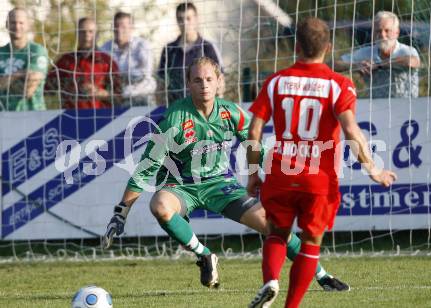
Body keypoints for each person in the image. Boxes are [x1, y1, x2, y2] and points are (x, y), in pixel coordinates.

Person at [103, 57, 349, 292]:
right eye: (198, 80)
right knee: (159, 205)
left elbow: (256, 149)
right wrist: (121, 212)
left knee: (274, 226)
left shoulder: (231, 113)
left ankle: (322, 276)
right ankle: (205, 255)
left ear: (219, 82)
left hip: (220, 184)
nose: (204, 85)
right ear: (188, 84)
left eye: (209, 79)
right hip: (180, 187)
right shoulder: (174, 119)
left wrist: (295, 171)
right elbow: (148, 167)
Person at [247, 17, 397, 308]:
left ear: (296, 46)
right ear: (328, 48)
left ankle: (270, 280)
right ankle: (291, 306)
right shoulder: (338, 84)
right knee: (311, 243)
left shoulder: (276, 81)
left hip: (280, 172)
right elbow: (351, 130)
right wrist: (373, 170)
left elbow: (254, 131)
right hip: (318, 179)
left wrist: (253, 173)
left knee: (277, 232)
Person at [334, 11, 420, 98]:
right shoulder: (366, 52)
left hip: (406, 107)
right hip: (376, 107)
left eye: (387, 30)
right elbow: (332, 64)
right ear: (373, 33)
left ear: (397, 32)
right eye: (378, 31)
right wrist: (356, 66)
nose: (382, 35)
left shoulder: (407, 51)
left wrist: (379, 65)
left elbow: (412, 62)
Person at [46, 17, 122, 109]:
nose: (87, 35)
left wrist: (101, 93)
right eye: (82, 31)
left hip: (101, 118)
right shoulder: (65, 61)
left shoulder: (107, 62)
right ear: (77, 34)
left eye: (91, 32)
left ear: (97, 35)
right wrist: (69, 86)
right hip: (70, 116)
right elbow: (47, 88)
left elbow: (119, 96)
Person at [157, 2, 224, 105]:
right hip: (176, 110)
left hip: (203, 110)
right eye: (180, 19)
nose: (184, 23)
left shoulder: (207, 47)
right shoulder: (169, 50)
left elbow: (220, 82)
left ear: (196, 19)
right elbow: (160, 85)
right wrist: (163, 110)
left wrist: (216, 107)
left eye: (188, 18)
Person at [100, 12, 156, 106]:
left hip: (139, 95)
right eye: (116, 26)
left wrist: (125, 91)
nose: (119, 30)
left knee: (150, 83)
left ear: (131, 28)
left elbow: (146, 74)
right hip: (113, 96)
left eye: (123, 27)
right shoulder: (105, 48)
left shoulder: (142, 46)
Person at [0, 7, 48, 111]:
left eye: (21, 23)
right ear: (7, 25)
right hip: (3, 115)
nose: (17, 26)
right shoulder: (1, 52)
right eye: (13, 22)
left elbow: (28, 90)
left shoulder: (37, 50)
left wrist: (5, 80)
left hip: (33, 115)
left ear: (28, 25)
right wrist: (22, 73)